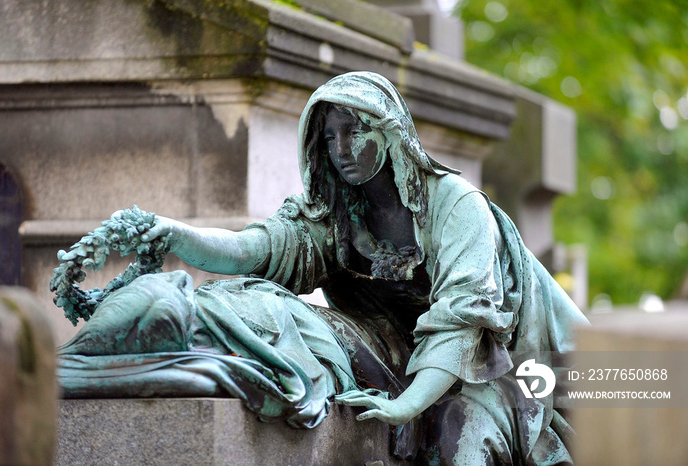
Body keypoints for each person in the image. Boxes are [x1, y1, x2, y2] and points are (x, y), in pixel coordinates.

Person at [60, 71, 588, 464]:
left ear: (389, 132)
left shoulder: (455, 206)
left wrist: (407, 407)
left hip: (490, 371)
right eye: (329, 137)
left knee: (464, 442)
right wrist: (179, 236)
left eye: (353, 131)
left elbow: (462, 321)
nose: (340, 150)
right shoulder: (337, 212)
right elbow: (256, 251)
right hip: (396, 354)